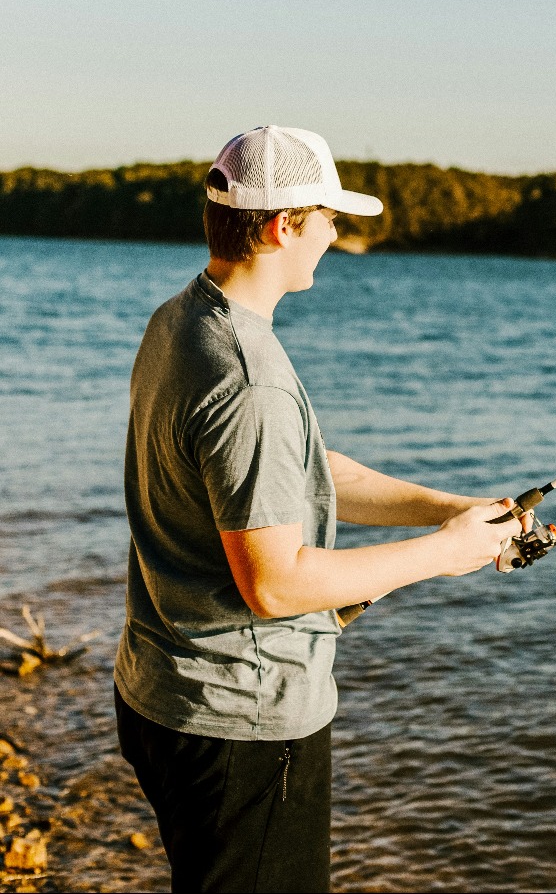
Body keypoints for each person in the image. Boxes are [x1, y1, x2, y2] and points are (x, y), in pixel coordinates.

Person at [113, 125, 527, 893]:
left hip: (161, 692)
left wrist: (456, 511)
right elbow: (275, 584)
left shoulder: (182, 320)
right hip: (239, 722)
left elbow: (301, 473)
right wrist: (445, 553)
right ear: (282, 227)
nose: (336, 234)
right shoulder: (250, 377)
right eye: (329, 218)